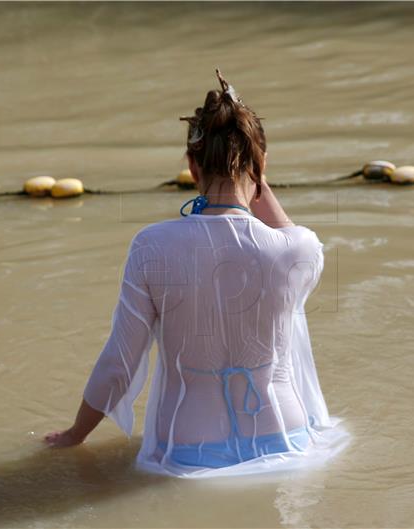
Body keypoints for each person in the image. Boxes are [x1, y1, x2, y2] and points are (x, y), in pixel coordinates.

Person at [44, 70, 348, 478]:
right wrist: (257, 174)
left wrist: (74, 435)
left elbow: (121, 361)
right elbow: (284, 232)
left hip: (186, 454)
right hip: (288, 445)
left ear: (191, 166)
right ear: (261, 166)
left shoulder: (153, 246)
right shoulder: (301, 250)